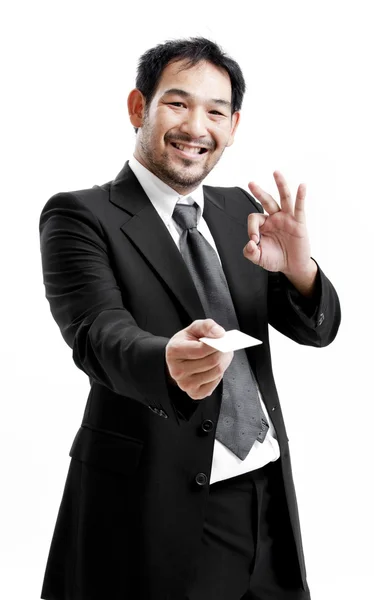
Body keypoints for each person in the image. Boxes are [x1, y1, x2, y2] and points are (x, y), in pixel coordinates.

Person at [39, 37, 341, 600]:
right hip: (153, 507)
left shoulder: (242, 213)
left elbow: (315, 329)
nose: (196, 126)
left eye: (216, 111)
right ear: (139, 108)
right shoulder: (81, 215)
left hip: (267, 500)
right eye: (177, 103)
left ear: (233, 124)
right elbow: (98, 335)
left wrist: (301, 272)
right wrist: (168, 363)